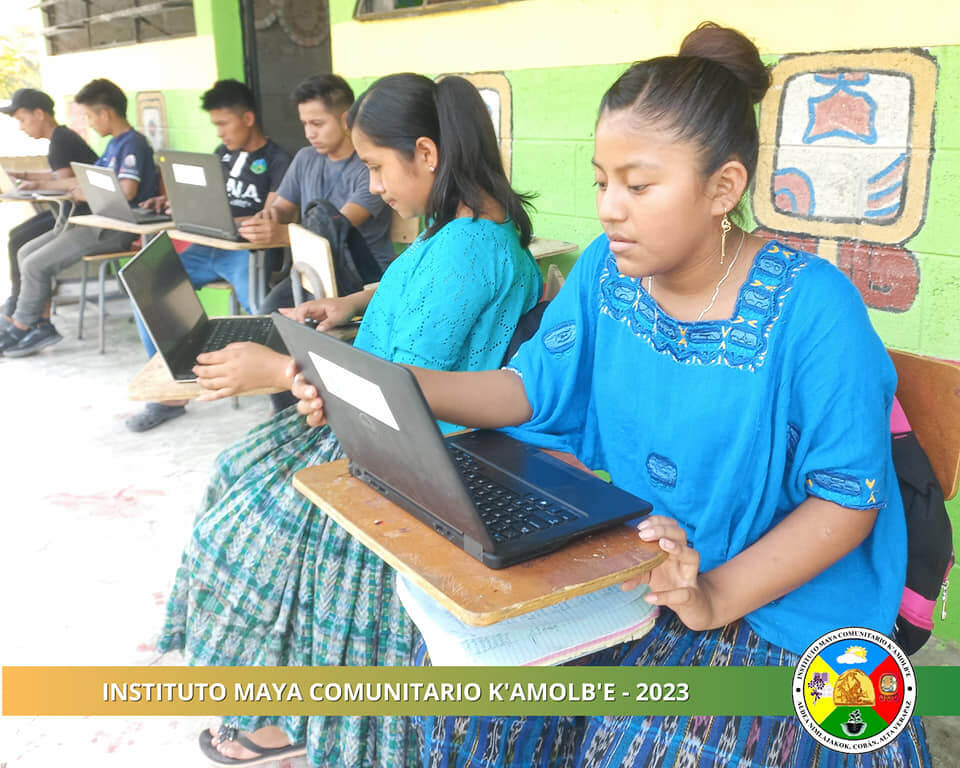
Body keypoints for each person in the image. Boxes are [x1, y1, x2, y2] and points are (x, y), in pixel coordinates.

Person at [296, 24, 931, 768]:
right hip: (636, 560)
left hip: (773, 598)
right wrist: (384, 390)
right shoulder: (606, 271)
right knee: (479, 699)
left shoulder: (814, 308)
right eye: (601, 181)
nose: (607, 208)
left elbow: (844, 498)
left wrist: (715, 597)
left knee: (657, 747)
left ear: (722, 188)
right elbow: (530, 388)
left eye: (638, 184)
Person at [156, 73, 543, 768]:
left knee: (246, 530)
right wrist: (350, 305)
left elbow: (398, 394)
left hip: (407, 456)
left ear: (426, 153)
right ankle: (278, 703)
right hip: (371, 424)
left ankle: (286, 717)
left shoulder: (472, 249)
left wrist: (280, 372)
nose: (372, 184)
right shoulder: (459, 228)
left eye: (375, 167)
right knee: (236, 471)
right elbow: (414, 288)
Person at [192, 73, 396, 416]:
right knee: (271, 318)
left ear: (346, 120)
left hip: (360, 277)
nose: (309, 133)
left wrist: (283, 234)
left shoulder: (367, 167)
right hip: (311, 274)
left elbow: (339, 228)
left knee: (300, 332)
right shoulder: (304, 159)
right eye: (304, 124)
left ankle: (311, 410)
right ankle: (286, 412)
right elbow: (281, 208)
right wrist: (266, 220)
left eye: (317, 123)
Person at [126, 79, 292, 433]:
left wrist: (233, 221)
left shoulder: (279, 160)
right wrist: (174, 204)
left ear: (247, 118)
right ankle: (173, 394)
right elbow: (206, 204)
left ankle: (282, 400)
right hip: (207, 247)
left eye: (223, 123)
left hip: (248, 253)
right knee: (150, 291)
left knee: (262, 312)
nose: (219, 132)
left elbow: (271, 215)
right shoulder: (220, 155)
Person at [0, 78, 159, 357]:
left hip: (116, 229)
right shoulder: (114, 145)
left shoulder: (133, 144)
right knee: (26, 252)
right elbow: (82, 180)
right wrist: (39, 184)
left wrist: (84, 192)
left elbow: (127, 189)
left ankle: (24, 325)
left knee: (36, 264)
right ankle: (37, 322)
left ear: (105, 114)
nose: (89, 122)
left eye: (89, 115)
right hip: (96, 223)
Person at [0, 88, 97, 321]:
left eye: (23, 120)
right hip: (73, 213)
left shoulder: (61, 140)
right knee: (18, 236)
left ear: (40, 114)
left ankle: (23, 308)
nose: (22, 127)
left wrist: (31, 188)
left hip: (81, 216)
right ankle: (19, 302)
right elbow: (59, 177)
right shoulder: (61, 137)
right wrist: (26, 176)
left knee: (21, 241)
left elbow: (64, 184)